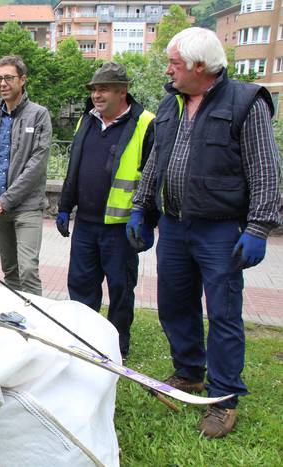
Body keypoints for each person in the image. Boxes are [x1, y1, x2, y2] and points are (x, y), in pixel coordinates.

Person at [130, 28, 281, 438]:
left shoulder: (245, 103)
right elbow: (156, 163)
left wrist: (258, 227)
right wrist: (141, 209)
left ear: (199, 66)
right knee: (174, 305)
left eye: (174, 63)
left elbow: (266, 170)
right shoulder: (170, 104)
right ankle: (190, 373)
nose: (168, 70)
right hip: (175, 227)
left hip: (220, 231)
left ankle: (223, 398)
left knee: (223, 314)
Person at [57, 62, 155, 359]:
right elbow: (74, 168)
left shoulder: (145, 123)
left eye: (103, 89)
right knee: (81, 285)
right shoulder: (86, 121)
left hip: (121, 225)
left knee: (121, 288)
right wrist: (64, 206)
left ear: (122, 91)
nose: (96, 95)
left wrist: (146, 217)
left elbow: (153, 176)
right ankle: (85, 340)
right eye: (94, 89)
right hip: (86, 223)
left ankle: (117, 344)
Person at [0, 55, 52, 295]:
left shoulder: (39, 115)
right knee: (10, 271)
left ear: (23, 80)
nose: (3, 84)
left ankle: (37, 324)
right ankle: (16, 323)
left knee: (28, 270)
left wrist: (6, 200)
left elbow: (37, 164)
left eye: (9, 78)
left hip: (26, 207)